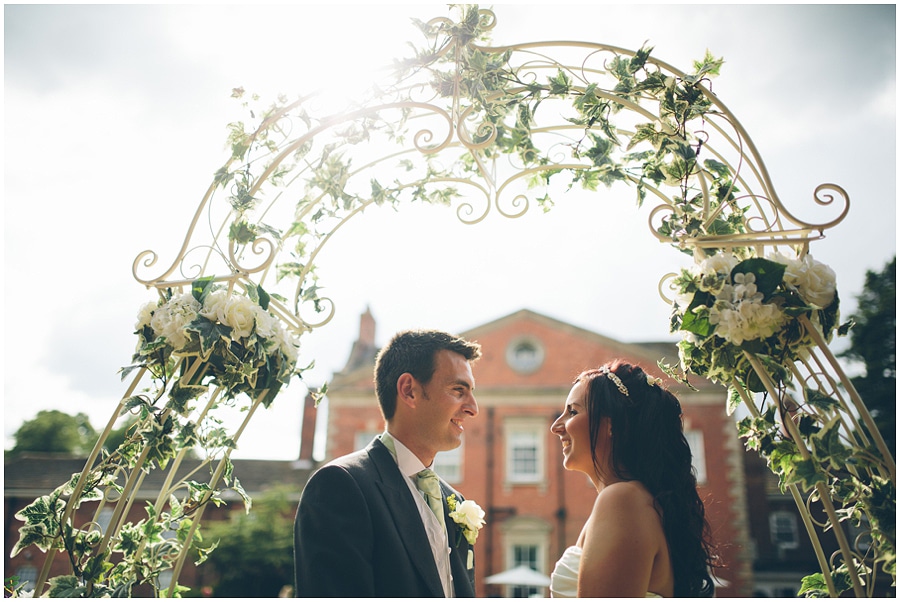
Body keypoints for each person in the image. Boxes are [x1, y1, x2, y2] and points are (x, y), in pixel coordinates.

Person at [293, 329, 482, 597]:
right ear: (409, 391)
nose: (473, 407)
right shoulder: (340, 485)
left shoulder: (454, 500)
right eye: (458, 390)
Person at [549, 360, 717, 598]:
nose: (556, 426)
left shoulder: (622, 500)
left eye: (573, 411)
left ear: (613, 425)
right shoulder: (636, 501)